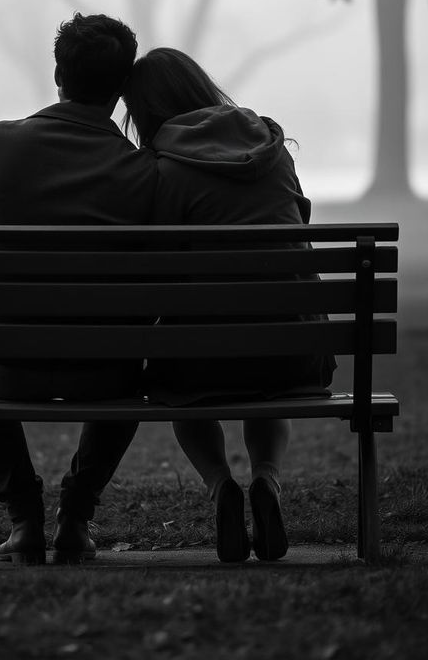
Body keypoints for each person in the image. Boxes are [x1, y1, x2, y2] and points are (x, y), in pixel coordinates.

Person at [122, 47, 335, 563]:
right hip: (295, 352)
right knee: (264, 361)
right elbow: (297, 224)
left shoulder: (162, 168)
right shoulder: (270, 147)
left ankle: (221, 487)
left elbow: (153, 264)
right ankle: (267, 481)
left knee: (177, 380)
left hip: (198, 363)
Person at [0, 13, 157, 565]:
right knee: (130, 374)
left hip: (7, 366)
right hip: (106, 372)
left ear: (57, 74)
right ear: (121, 89)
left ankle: (24, 520)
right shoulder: (143, 169)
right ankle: (75, 518)